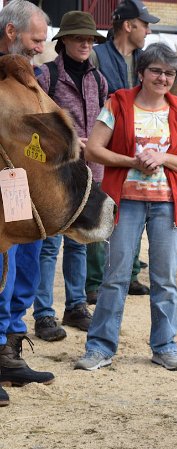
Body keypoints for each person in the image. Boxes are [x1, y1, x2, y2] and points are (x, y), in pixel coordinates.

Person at [74, 42, 177, 372]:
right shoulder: (117, 103)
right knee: (115, 277)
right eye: (156, 70)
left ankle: (164, 345)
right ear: (140, 72)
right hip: (125, 202)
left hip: (166, 204)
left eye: (169, 72)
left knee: (165, 279)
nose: (163, 77)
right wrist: (132, 161)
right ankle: (100, 346)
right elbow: (94, 150)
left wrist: (163, 157)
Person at [32, 11, 108, 343]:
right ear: (63, 41)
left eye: (90, 39)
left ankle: (76, 306)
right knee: (48, 246)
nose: (85, 43)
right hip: (53, 174)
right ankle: (44, 314)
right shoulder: (44, 75)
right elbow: (32, 121)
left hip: (89, 174)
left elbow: (105, 122)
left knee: (79, 243)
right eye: (79, 38)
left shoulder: (99, 79)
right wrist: (66, 141)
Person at [0, 0, 55, 407]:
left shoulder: (29, 77)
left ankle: (10, 346)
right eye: (37, 39)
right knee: (2, 268)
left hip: (20, 185)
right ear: (11, 33)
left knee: (27, 261)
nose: (41, 47)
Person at [88, 0, 160, 303]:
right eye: (145, 24)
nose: (148, 30)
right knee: (99, 211)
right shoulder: (97, 55)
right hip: (104, 148)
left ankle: (129, 274)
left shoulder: (145, 60)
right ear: (128, 25)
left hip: (139, 150)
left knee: (132, 211)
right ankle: (93, 282)